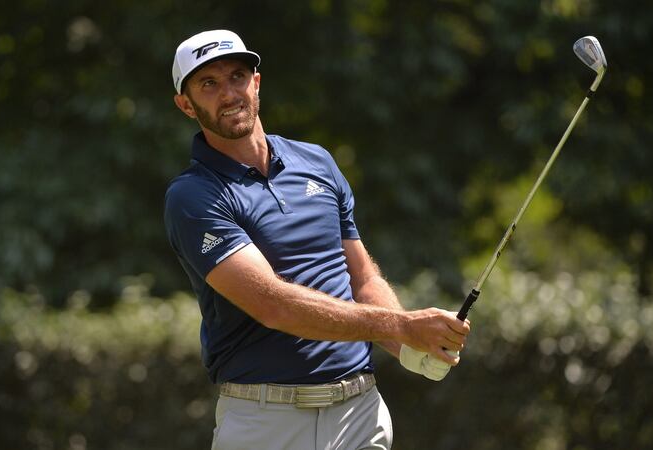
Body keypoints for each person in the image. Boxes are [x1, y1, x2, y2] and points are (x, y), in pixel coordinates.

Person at [164, 29, 472, 450]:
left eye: (237, 76)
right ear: (186, 104)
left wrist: (407, 348)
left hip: (359, 413)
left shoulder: (316, 161)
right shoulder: (193, 196)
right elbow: (273, 305)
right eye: (208, 84)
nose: (229, 93)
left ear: (256, 82)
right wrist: (402, 325)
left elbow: (361, 277)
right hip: (266, 423)